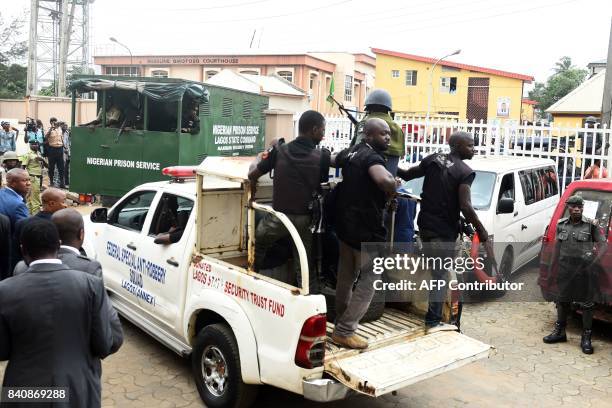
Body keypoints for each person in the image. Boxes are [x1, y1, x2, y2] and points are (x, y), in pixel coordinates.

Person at [0, 218, 122, 407]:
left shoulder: (4, 290)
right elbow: (104, 344)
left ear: (23, 249)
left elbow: (2, 350)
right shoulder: (91, 285)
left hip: (24, 389)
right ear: (58, 245)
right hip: (77, 387)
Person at [398, 131, 492, 329]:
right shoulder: (465, 172)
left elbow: (407, 175)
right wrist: (481, 231)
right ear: (457, 146)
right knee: (440, 276)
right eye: (470, 145)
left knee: (434, 270)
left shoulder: (433, 159)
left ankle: (426, 310)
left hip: (425, 226)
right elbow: (466, 206)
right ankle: (432, 321)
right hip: (443, 233)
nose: (473, 149)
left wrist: (385, 163)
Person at [331, 118, 398, 349]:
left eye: (388, 133)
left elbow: (332, 159)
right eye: (383, 134)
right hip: (366, 232)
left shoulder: (352, 152)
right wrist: (394, 183)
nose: (388, 137)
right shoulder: (372, 157)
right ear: (369, 136)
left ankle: (341, 321)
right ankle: (345, 330)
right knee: (369, 281)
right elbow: (383, 179)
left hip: (346, 227)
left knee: (346, 277)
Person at [248, 110, 330, 293]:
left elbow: (252, 174)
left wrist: (260, 158)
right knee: (305, 264)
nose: (323, 135)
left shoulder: (279, 152)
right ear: (314, 129)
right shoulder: (322, 157)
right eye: (322, 131)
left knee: (258, 242)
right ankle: (308, 298)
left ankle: (251, 278)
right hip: (305, 221)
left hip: (278, 219)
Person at [543, 195, 606, 354]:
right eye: (573, 206)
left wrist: (593, 262)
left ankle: (586, 338)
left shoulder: (591, 225)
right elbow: (557, 249)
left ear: (583, 208)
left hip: (584, 271)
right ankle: (560, 332)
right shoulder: (561, 225)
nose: (577, 209)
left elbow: (603, 244)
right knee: (562, 301)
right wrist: (551, 271)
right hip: (565, 269)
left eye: (579, 206)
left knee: (587, 305)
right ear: (568, 207)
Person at [10, 187, 66, 272]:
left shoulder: (22, 224)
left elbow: (14, 255)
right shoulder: (62, 225)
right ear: (51, 203)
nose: (66, 205)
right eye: (63, 202)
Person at [352, 89, 405, 176]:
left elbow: (355, 149)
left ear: (369, 107)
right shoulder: (397, 128)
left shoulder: (365, 123)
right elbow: (398, 156)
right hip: (389, 177)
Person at [20, 141, 47, 214]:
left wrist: (43, 160)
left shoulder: (39, 153)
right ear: (29, 145)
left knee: (30, 199)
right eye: (33, 144)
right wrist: (23, 179)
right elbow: (23, 167)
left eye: (36, 144)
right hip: (33, 178)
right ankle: (36, 217)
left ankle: (28, 216)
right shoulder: (28, 155)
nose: (35, 145)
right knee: (35, 199)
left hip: (39, 177)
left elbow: (46, 166)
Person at [45, 117, 66, 189]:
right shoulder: (48, 129)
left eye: (55, 122)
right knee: (51, 167)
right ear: (51, 122)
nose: (55, 123)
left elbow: (64, 124)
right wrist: (51, 128)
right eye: (53, 122)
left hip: (60, 149)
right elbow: (46, 137)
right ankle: (51, 182)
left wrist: (59, 123)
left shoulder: (60, 129)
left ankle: (62, 183)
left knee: (61, 167)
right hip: (52, 149)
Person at [61, 121, 71, 187]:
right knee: (63, 168)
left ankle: (67, 182)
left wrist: (68, 151)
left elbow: (67, 143)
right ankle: (63, 183)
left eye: (67, 126)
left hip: (67, 153)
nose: (66, 127)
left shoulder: (67, 134)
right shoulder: (60, 133)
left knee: (67, 169)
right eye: (65, 126)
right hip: (61, 152)